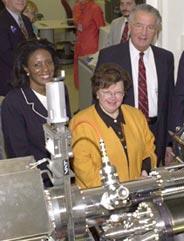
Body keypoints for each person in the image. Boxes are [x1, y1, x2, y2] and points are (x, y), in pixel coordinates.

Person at [96, 4, 175, 166]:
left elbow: (170, 102)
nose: (144, 32)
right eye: (139, 25)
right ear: (130, 27)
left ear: (156, 32)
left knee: (151, 177)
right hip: (121, 130)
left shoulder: (165, 58)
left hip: (155, 131)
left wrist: (169, 142)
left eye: (150, 27)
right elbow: (98, 99)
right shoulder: (110, 56)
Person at [70, 63, 157, 188]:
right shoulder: (80, 123)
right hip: (101, 196)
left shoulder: (136, 115)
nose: (113, 97)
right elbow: (84, 169)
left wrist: (145, 171)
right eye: (106, 92)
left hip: (136, 190)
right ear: (97, 93)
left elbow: (149, 148)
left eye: (118, 92)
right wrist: (115, 193)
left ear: (124, 94)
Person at [1, 39, 71, 187]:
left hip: (64, 174)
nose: (45, 69)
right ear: (26, 69)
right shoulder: (15, 102)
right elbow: (19, 154)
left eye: (49, 62)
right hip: (36, 180)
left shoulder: (61, 90)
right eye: (37, 65)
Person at [0, 0, 35, 96]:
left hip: (26, 78)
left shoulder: (25, 20)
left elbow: (33, 46)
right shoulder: (2, 21)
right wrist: (30, 67)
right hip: (10, 82)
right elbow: (6, 54)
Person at [73, 0, 105, 88]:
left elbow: (102, 29)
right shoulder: (76, 7)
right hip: (79, 45)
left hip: (91, 48)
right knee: (80, 77)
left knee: (89, 78)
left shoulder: (95, 9)